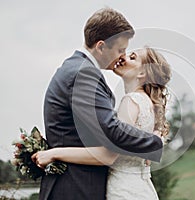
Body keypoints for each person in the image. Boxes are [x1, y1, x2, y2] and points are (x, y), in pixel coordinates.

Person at [33, 8, 164, 200]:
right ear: (101, 46)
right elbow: (110, 128)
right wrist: (154, 142)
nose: (122, 56)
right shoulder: (83, 73)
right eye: (121, 50)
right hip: (75, 188)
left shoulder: (78, 69)